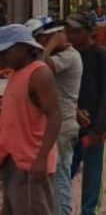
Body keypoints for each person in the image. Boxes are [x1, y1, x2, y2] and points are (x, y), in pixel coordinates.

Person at [0, 24, 62, 215]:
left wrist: (41, 159)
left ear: (25, 48)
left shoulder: (39, 74)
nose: (2, 57)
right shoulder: (16, 73)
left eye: (6, 52)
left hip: (31, 161)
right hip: (13, 159)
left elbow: (55, 116)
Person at [26, 17, 81, 215]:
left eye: (40, 41)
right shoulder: (59, 56)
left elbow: (39, 67)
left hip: (62, 127)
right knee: (54, 180)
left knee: (59, 180)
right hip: (59, 125)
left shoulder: (68, 56)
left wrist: (51, 43)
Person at [65, 13, 106, 215]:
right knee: (64, 172)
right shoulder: (68, 55)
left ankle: (89, 211)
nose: (70, 36)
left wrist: (100, 127)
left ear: (89, 32)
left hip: (92, 127)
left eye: (76, 31)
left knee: (93, 175)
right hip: (69, 125)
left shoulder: (101, 56)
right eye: (68, 31)